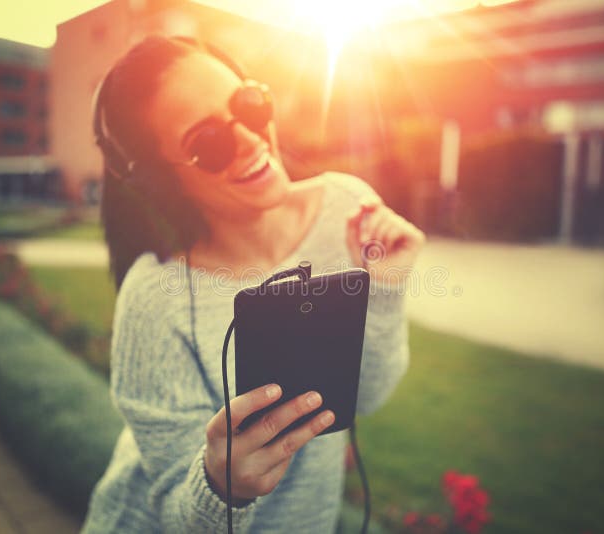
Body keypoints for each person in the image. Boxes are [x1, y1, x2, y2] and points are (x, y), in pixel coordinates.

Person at [82, 35, 425, 533]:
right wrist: (221, 487)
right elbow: (175, 515)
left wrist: (386, 291)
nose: (250, 139)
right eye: (209, 142)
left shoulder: (347, 211)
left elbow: (366, 395)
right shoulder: (156, 298)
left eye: (249, 104)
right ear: (161, 179)